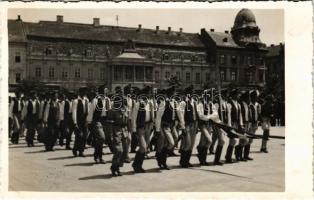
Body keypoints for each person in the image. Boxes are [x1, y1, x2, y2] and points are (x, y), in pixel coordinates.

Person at [107, 94, 128, 176]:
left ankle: (118, 167)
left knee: (125, 151)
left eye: (122, 101)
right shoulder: (112, 110)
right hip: (116, 131)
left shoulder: (125, 109)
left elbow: (127, 121)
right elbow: (109, 125)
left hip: (124, 131)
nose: (121, 103)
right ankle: (114, 167)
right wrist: (110, 136)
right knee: (119, 150)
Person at [195, 89, 217, 166]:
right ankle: (201, 155)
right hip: (202, 124)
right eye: (209, 95)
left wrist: (210, 117)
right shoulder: (200, 104)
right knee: (209, 140)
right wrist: (209, 117)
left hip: (209, 125)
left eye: (211, 95)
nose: (210, 97)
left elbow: (215, 113)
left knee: (203, 141)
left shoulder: (211, 104)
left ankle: (202, 158)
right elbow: (200, 115)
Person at [131, 87, 149, 173]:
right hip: (139, 128)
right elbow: (133, 118)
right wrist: (134, 130)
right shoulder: (138, 104)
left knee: (143, 148)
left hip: (143, 127)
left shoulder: (145, 104)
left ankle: (137, 165)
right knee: (143, 147)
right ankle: (136, 165)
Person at [225, 88, 243, 163]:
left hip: (236, 124)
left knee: (234, 140)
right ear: (233, 95)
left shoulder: (238, 104)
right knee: (233, 140)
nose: (239, 96)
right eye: (237, 94)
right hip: (231, 123)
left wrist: (241, 124)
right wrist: (229, 125)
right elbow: (228, 115)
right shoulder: (229, 104)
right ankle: (228, 157)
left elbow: (240, 115)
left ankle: (229, 156)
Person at [72, 88, 89, 157]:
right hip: (78, 120)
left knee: (84, 136)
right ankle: (75, 149)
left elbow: (88, 111)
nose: (83, 93)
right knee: (79, 136)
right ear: (79, 92)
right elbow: (74, 112)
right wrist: (75, 122)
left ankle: (81, 151)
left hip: (85, 120)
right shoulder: (76, 101)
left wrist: (88, 120)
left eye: (84, 92)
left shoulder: (86, 100)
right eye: (82, 92)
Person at [245, 90, 261, 160]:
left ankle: (246, 155)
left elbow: (259, 114)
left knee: (250, 140)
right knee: (247, 139)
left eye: (256, 97)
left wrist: (258, 122)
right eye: (255, 97)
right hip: (250, 124)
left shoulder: (258, 105)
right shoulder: (249, 105)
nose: (256, 98)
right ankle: (244, 155)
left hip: (255, 123)